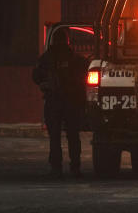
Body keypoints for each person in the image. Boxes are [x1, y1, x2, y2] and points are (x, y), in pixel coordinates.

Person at [33, 29, 88, 177]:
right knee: (73, 136)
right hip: (71, 102)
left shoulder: (46, 58)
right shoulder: (75, 58)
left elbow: (36, 76)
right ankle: (75, 167)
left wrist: (46, 84)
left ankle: (56, 168)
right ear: (68, 41)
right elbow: (85, 75)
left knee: (55, 137)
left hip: (54, 101)